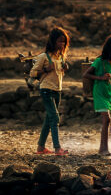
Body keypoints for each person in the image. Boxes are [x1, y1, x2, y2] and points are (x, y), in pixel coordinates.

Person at [83, 34, 111, 156]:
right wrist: (100, 77)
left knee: (107, 121)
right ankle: (103, 149)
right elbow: (85, 74)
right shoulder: (99, 61)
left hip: (109, 94)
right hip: (99, 93)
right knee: (106, 119)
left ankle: (103, 148)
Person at [30, 27, 70, 156]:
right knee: (55, 117)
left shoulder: (60, 57)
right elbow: (33, 73)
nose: (62, 44)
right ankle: (57, 148)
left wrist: (65, 67)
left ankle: (40, 148)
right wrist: (47, 69)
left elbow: (59, 73)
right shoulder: (44, 56)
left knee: (49, 119)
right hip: (46, 89)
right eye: (59, 41)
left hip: (57, 90)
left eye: (63, 42)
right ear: (53, 41)